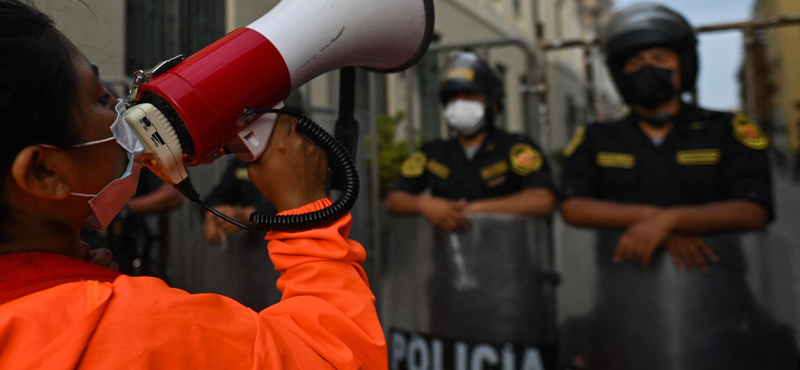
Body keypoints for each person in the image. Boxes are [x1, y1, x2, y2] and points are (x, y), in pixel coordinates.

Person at [0, 1, 386, 369]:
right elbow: (338, 358)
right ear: (44, 173)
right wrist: (305, 211)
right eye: (101, 99)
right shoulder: (140, 328)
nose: (122, 106)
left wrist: (64, 276)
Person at [559, 4, 790, 370]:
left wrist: (672, 220)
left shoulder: (729, 130)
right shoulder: (596, 138)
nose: (646, 67)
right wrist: (652, 218)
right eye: (634, 61)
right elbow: (573, 205)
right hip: (624, 300)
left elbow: (754, 208)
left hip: (719, 300)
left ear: (684, 63)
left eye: (659, 56)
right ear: (619, 72)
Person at [385, 52, 556, 228]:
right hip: (447, 253)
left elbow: (542, 200)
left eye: (469, 95)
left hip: (505, 249)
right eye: (453, 97)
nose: (459, 103)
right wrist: (423, 204)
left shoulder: (515, 148)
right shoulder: (434, 151)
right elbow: (394, 200)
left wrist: (472, 210)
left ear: (493, 104)